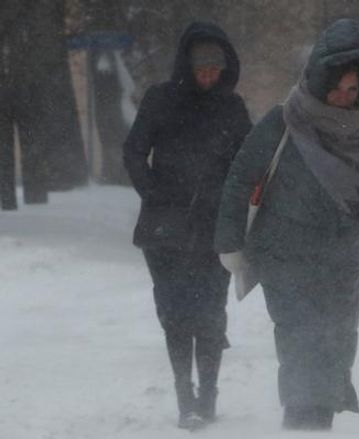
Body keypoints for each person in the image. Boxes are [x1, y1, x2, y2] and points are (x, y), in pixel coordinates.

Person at [214, 18, 359, 431]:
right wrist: (229, 241)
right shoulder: (284, 121)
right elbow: (241, 177)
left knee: (337, 345)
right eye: (336, 87)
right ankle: (302, 424)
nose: (343, 97)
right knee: (300, 340)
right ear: (319, 79)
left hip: (343, 257)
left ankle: (315, 424)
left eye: (353, 90)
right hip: (284, 249)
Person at [122, 22, 252, 430]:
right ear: (187, 66)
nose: (209, 77)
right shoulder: (160, 100)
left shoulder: (232, 108)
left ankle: (208, 394)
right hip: (166, 229)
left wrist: (234, 204)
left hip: (214, 229)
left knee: (210, 312)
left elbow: (248, 163)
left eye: (215, 70)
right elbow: (134, 151)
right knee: (176, 312)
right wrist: (153, 193)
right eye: (202, 69)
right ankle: (185, 396)